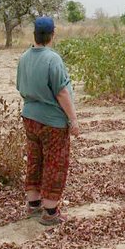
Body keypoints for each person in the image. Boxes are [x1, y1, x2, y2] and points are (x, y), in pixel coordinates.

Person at [16, 16, 80, 226]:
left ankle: (33, 204)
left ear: (34, 34)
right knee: (55, 162)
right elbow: (62, 92)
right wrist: (73, 120)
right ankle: (50, 211)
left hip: (30, 117)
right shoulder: (53, 59)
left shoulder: (25, 57)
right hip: (52, 121)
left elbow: (20, 86)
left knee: (35, 159)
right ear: (52, 35)